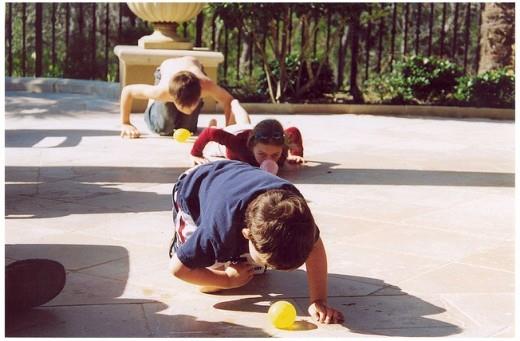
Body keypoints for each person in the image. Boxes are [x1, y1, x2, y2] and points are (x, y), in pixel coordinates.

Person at [168, 160, 344, 324]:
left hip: (237, 177)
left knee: (252, 270)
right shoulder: (217, 231)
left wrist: (318, 300)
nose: (274, 269)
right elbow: (178, 269)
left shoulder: (297, 215)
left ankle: (251, 258)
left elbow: (315, 248)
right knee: (210, 284)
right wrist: (227, 280)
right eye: (269, 263)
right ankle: (182, 241)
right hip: (193, 186)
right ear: (246, 234)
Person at [120, 56, 250, 138]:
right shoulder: (162, 91)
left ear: (199, 94)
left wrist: (229, 130)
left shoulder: (206, 85)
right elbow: (128, 91)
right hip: (166, 72)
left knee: (187, 129)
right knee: (164, 128)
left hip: (193, 68)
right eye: (183, 107)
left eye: (193, 105)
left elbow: (229, 101)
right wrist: (125, 123)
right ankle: (153, 104)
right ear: (174, 98)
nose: (189, 110)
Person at [190, 119, 305, 171]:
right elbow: (209, 133)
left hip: (249, 129)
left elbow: (293, 131)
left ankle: (235, 105)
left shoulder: (282, 143)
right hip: (234, 133)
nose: (269, 159)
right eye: (261, 154)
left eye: (275, 155)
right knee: (214, 128)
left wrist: (296, 154)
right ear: (251, 145)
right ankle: (214, 122)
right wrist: (195, 154)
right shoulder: (237, 143)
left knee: (243, 121)